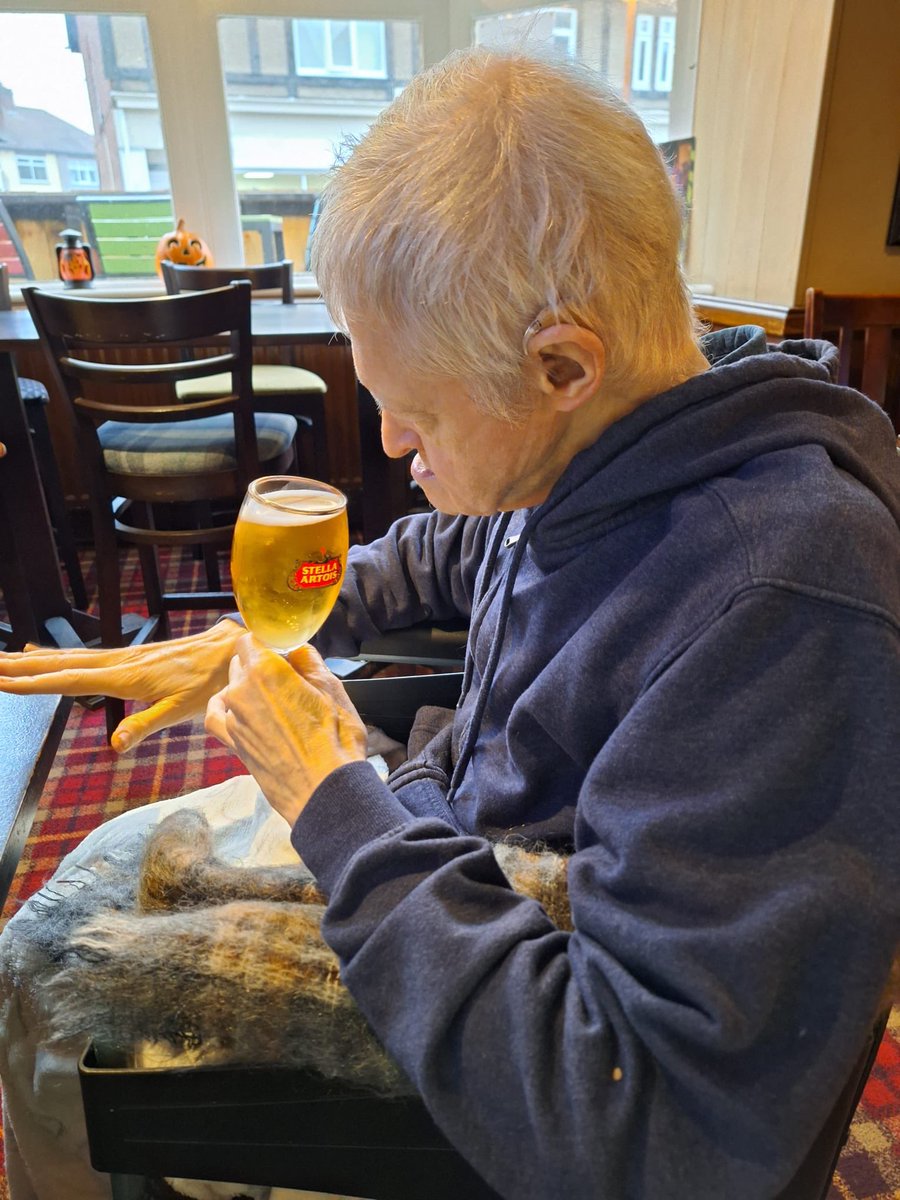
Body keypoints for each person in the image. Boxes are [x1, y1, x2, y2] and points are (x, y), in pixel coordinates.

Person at [0, 45, 899, 1200]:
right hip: (433, 849)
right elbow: (462, 548)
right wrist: (286, 623)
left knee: (41, 977)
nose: (388, 446)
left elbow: (655, 1129)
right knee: (86, 878)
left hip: (494, 1003)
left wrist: (334, 799)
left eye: (414, 416)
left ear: (560, 364)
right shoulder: (612, 450)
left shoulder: (784, 604)